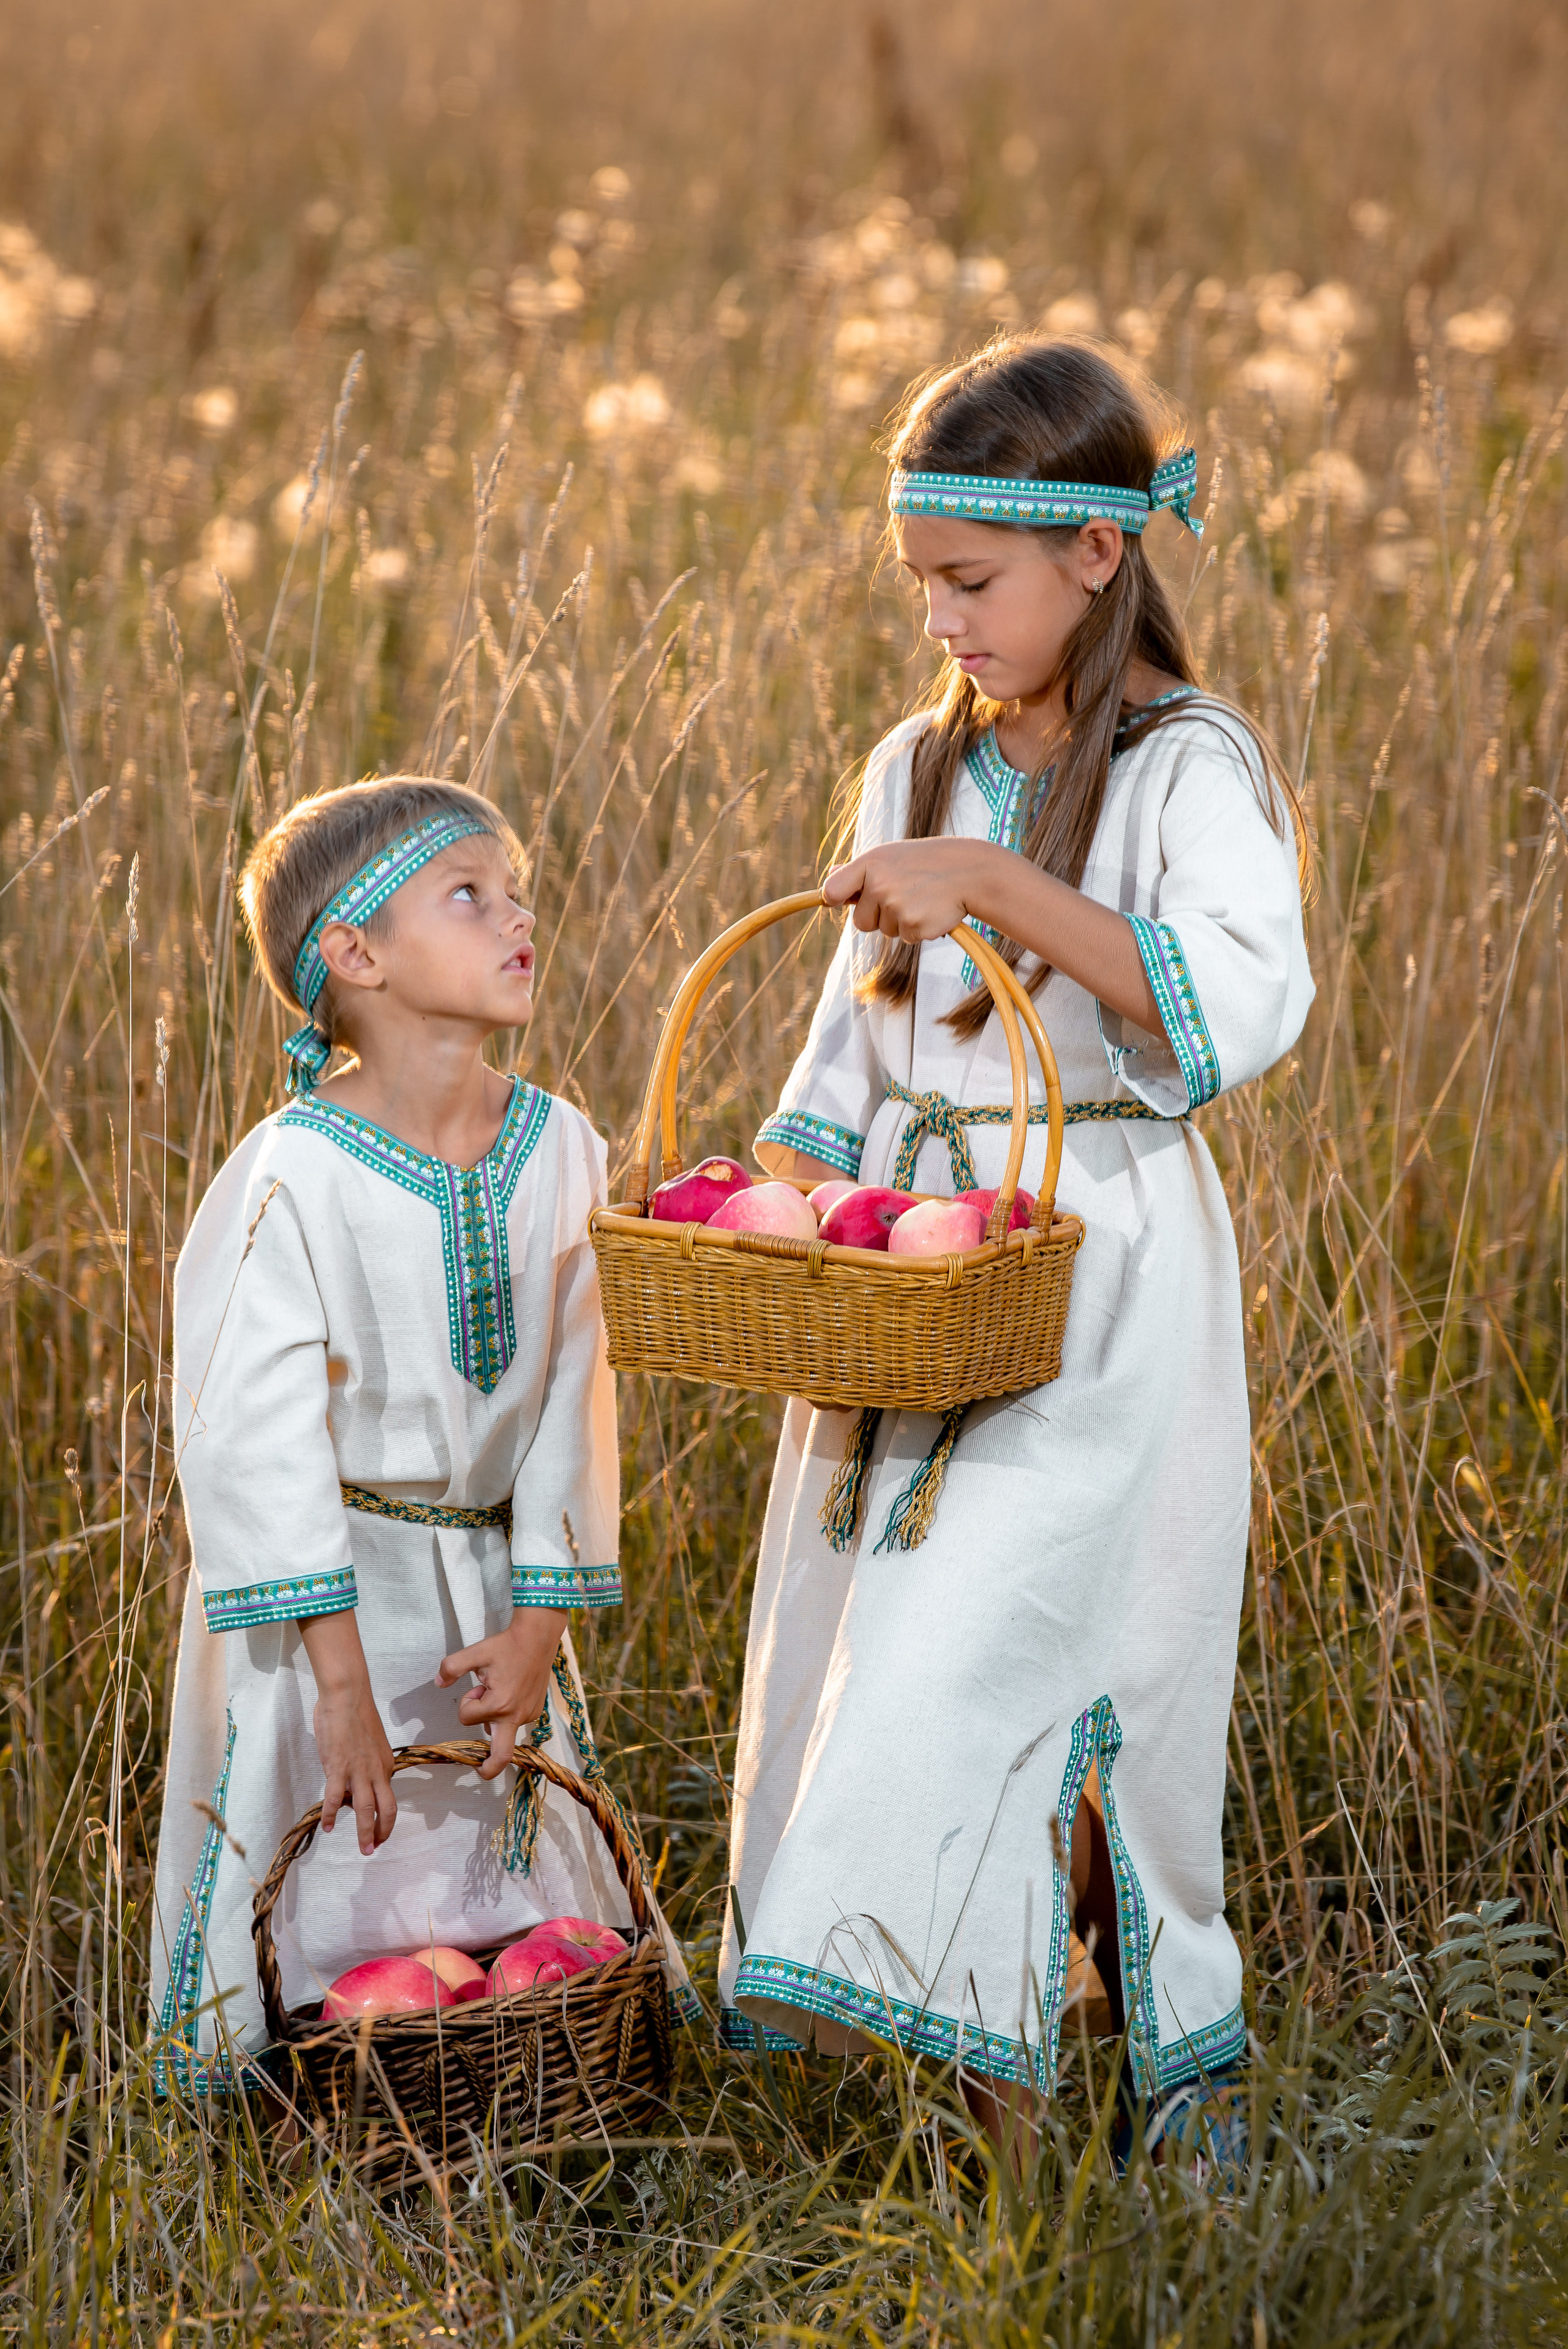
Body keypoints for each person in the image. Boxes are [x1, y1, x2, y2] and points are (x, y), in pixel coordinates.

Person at [718, 335, 1313, 2169]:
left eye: (971, 585)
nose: (944, 626)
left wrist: (995, 886)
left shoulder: (1186, 763)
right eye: (921, 589)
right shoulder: (914, 758)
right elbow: (848, 1043)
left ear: (1099, 558)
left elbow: (1242, 991)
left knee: (1009, 1661)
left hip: (1105, 1268)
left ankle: (1130, 2077)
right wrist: (781, 1206)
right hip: (916, 1267)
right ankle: (1011, 2108)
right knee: (887, 1648)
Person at [151, 776, 684, 2087]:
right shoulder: (292, 1170)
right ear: (355, 954)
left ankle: (512, 2064)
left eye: (516, 890)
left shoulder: (562, 1145)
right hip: (326, 1605)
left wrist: (540, 1625)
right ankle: (296, 2085)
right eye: (470, 895)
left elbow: (576, 1390)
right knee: (324, 1857)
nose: (519, 916)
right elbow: (248, 1438)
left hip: (494, 1590)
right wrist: (336, 1682)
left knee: (496, 1851)